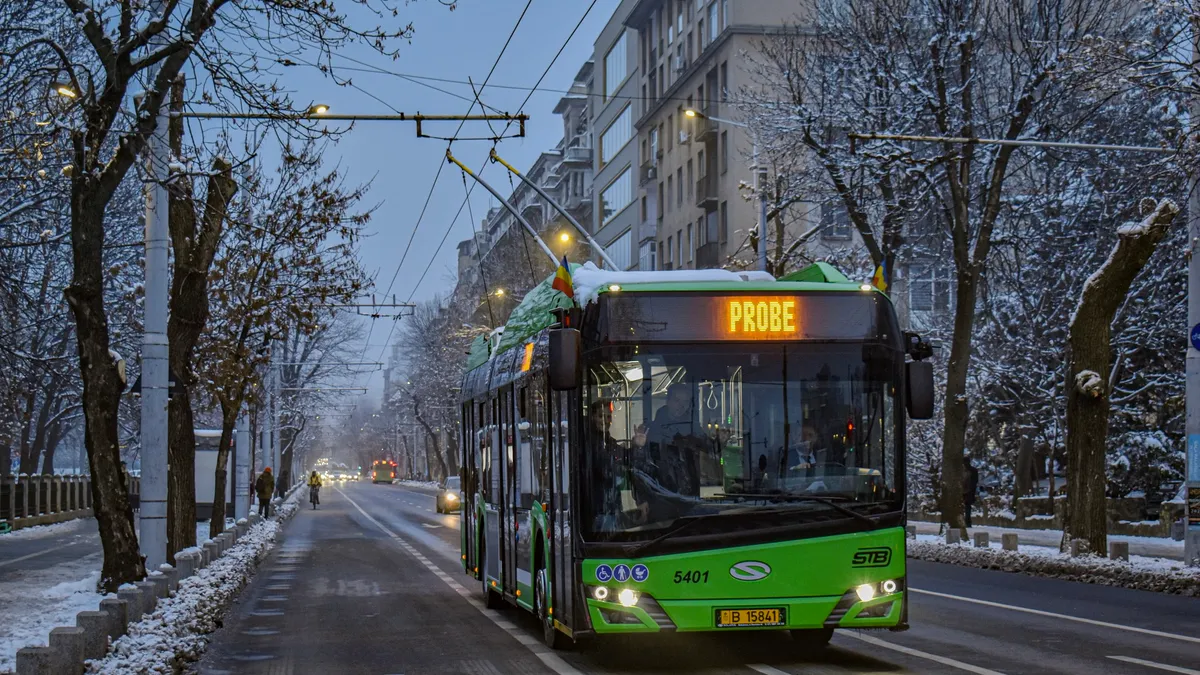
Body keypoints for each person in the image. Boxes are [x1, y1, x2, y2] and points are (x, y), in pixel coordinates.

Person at [963, 457, 979, 528]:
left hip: (967, 491)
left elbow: (975, 481)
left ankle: (967, 522)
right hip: (970, 491)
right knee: (967, 507)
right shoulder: (973, 470)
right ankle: (967, 522)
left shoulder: (963, 471)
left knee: (966, 507)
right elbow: (975, 481)